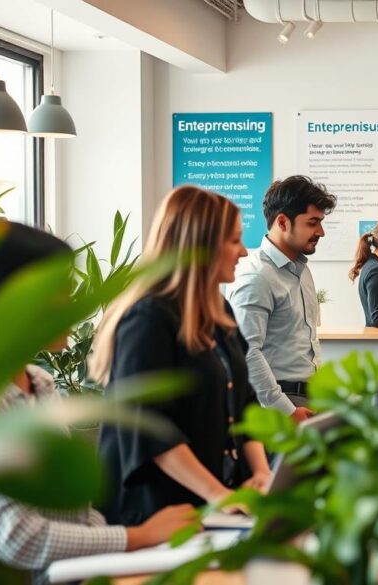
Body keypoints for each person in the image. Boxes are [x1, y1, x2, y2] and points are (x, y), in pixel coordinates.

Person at [0, 220, 196, 581]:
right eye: (61, 289)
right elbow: (17, 537)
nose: (73, 302)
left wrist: (124, 549)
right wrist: (136, 537)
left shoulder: (40, 384)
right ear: (11, 294)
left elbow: (76, 512)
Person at [92, 186, 271, 526]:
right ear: (200, 246)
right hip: (156, 513)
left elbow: (245, 400)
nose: (244, 252)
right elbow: (151, 427)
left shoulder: (220, 310)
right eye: (234, 241)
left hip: (213, 503)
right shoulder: (147, 319)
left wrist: (262, 472)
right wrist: (218, 495)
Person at [226, 175, 336, 422]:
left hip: (308, 399)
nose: (321, 231)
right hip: (281, 405)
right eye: (313, 222)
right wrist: (285, 410)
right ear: (283, 222)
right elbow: (246, 351)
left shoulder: (301, 269)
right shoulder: (257, 276)